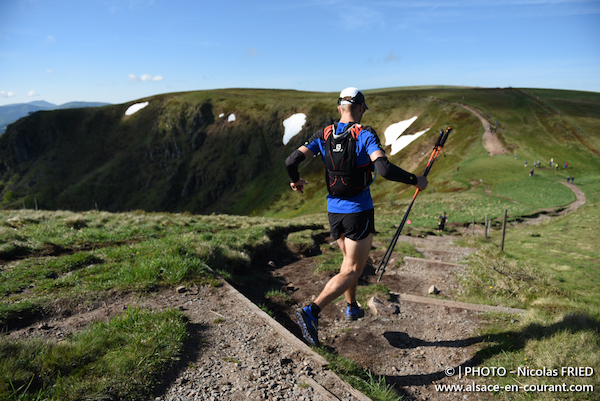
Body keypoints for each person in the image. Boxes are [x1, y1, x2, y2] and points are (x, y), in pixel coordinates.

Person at [284, 87, 428, 346]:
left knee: (347, 263)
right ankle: (311, 311)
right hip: (358, 211)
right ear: (360, 108)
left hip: (333, 212)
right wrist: (415, 179)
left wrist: (296, 181)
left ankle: (352, 306)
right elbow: (383, 169)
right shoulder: (364, 134)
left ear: (340, 108)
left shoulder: (324, 134)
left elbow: (291, 160)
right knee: (353, 269)